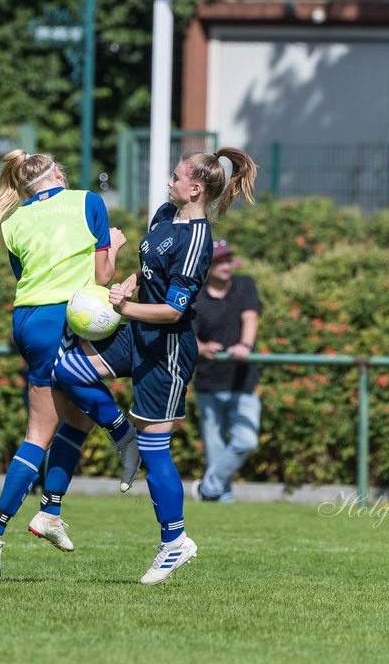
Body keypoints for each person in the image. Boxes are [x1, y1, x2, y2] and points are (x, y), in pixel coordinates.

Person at [53, 147, 257, 584]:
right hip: (139, 333)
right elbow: (150, 272)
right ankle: (121, 434)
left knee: (156, 450)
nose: (169, 182)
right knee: (68, 368)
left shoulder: (198, 239)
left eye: (176, 177)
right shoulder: (166, 213)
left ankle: (175, 542)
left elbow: (173, 312)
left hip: (166, 347)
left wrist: (124, 309)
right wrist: (130, 281)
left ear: (195, 189)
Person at [0, 150, 138, 579]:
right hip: (61, 315)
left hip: (27, 319)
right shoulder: (87, 201)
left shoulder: (13, 223)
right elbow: (102, 278)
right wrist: (116, 245)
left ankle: (50, 511)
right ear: (58, 174)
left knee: (75, 419)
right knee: (39, 433)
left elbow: (27, 276)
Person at [191, 239, 263, 503]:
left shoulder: (244, 285)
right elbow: (188, 334)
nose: (225, 265)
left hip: (242, 382)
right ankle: (222, 500)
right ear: (207, 267)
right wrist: (201, 347)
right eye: (218, 261)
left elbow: (250, 317)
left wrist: (245, 344)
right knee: (215, 450)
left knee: (246, 441)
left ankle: (207, 489)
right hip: (209, 384)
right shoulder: (196, 295)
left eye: (227, 259)